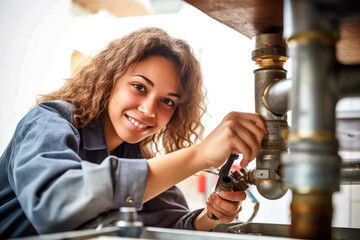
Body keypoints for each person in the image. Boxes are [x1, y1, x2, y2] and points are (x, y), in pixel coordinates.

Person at [0, 27, 267, 238]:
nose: (149, 110)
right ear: (109, 80)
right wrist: (199, 155)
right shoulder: (49, 121)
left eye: (168, 101)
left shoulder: (135, 156)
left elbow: (173, 225)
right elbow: (54, 203)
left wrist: (211, 216)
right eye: (140, 87)